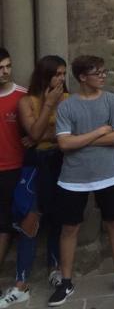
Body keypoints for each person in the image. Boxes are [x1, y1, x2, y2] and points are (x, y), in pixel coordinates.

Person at [51, 56, 114, 305]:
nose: (102, 76)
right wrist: (99, 132)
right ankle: (66, 281)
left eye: (103, 71)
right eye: (96, 73)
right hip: (73, 178)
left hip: (109, 174)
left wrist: (81, 140)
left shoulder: (112, 101)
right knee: (69, 228)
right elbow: (64, 144)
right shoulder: (67, 106)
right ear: (82, 77)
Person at [4, 57, 66, 307]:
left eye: (64, 74)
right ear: (44, 76)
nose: (61, 79)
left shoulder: (68, 100)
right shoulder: (27, 101)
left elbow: (67, 133)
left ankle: (55, 269)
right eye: (57, 74)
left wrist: (45, 135)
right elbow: (35, 133)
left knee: (56, 218)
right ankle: (21, 284)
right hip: (34, 167)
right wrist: (48, 105)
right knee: (29, 220)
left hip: (59, 163)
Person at [0, 49, 27, 307]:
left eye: (7, 66)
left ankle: (22, 281)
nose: (4, 71)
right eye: (0, 67)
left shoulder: (22, 96)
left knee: (18, 225)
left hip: (17, 170)